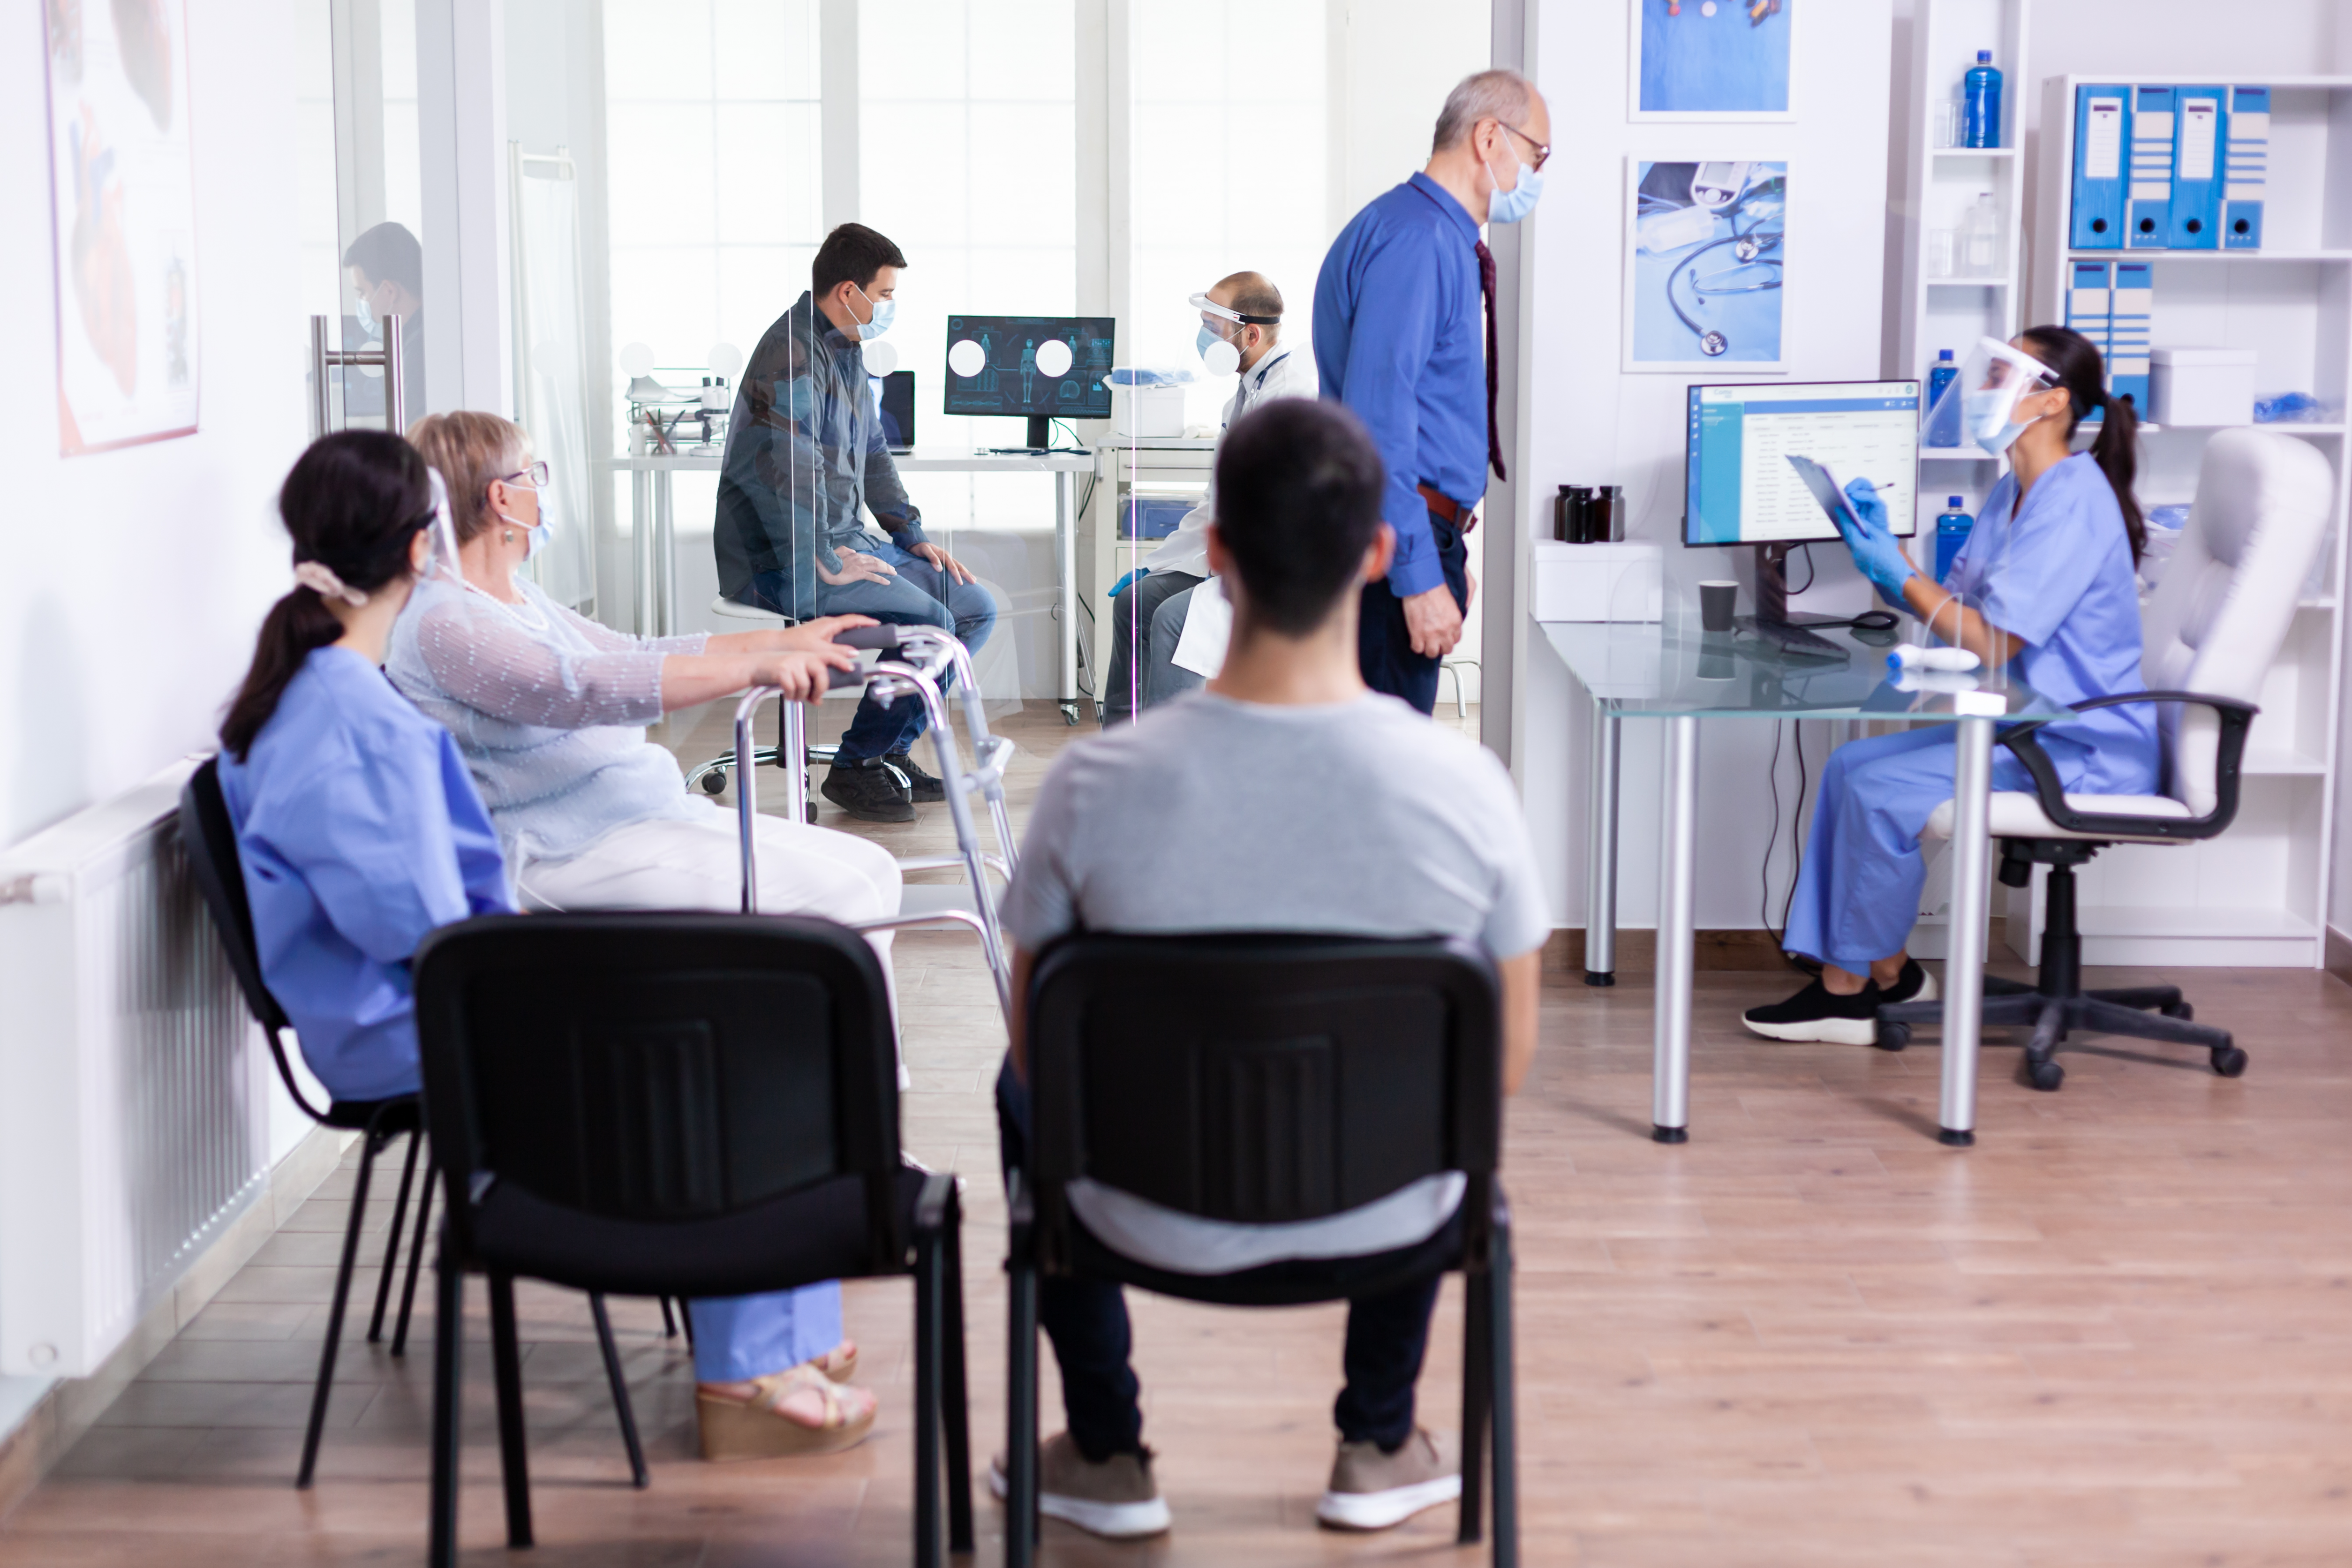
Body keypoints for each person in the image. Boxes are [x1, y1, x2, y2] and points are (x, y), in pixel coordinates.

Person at [989, 400, 1546, 1539]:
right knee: (1445, 1086)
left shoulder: (1092, 784)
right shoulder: (1465, 790)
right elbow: (1503, 1062)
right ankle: (1379, 1435)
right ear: (1381, 554)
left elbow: (1037, 1051)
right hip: (1389, 1211)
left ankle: (1102, 1449)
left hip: (1133, 1213)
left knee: (1019, 1090)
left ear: (1215, 555)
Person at [392, 411, 898, 1456]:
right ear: (501, 497)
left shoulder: (508, 594)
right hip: (570, 854)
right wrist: (758, 670)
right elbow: (587, 691)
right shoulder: (444, 620)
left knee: (872, 873)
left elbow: (632, 651)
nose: (543, 486)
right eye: (534, 472)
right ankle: (827, 1165)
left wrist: (779, 642)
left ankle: (833, 1164)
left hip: (642, 815)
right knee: (825, 929)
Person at [1745, 325, 2158, 1043]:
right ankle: (1891, 975)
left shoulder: (2073, 501)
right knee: (1849, 768)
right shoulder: (2011, 494)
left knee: (1879, 792)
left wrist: (1896, 574)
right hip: (2023, 725)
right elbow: (1956, 613)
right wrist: (1884, 550)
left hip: (2079, 745)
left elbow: (1996, 642)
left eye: (2003, 374)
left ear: (2051, 401)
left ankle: (1849, 993)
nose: (1982, 387)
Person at [216, 430, 507, 1107]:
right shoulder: (358, 730)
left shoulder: (305, 689)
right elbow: (422, 931)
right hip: (410, 1028)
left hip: (387, 1014)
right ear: (419, 548)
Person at [715, 222, 995, 823]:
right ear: (849, 291)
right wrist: (824, 556)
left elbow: (872, 452)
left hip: (844, 538)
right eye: (886, 295)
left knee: (973, 607)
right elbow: (786, 472)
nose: (890, 307)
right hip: (784, 556)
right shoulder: (789, 355)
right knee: (932, 621)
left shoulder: (844, 346)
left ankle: (888, 752)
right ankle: (857, 767)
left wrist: (909, 535)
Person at [1314, 69, 1550, 714]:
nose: (1537, 174)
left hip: (1409, 532)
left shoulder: (1427, 232)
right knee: (1382, 784)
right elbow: (1377, 425)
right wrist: (1416, 574)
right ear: (1489, 138)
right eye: (1538, 155)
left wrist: (1442, 547)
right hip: (1395, 546)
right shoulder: (1419, 242)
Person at [1100, 271, 1314, 725]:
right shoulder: (1243, 397)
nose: (1204, 338)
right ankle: (1120, 746)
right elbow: (1213, 505)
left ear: (1250, 334)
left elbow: (1280, 515)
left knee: (1172, 620)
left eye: (1212, 328)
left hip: (1271, 571)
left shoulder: (1292, 396)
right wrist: (1158, 564)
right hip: (1229, 560)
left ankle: (1170, 764)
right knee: (1133, 603)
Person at [342, 221, 425, 429]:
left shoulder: (418, 351)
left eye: (362, 292)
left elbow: (416, 441)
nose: (362, 301)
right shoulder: (422, 336)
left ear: (389, 291)